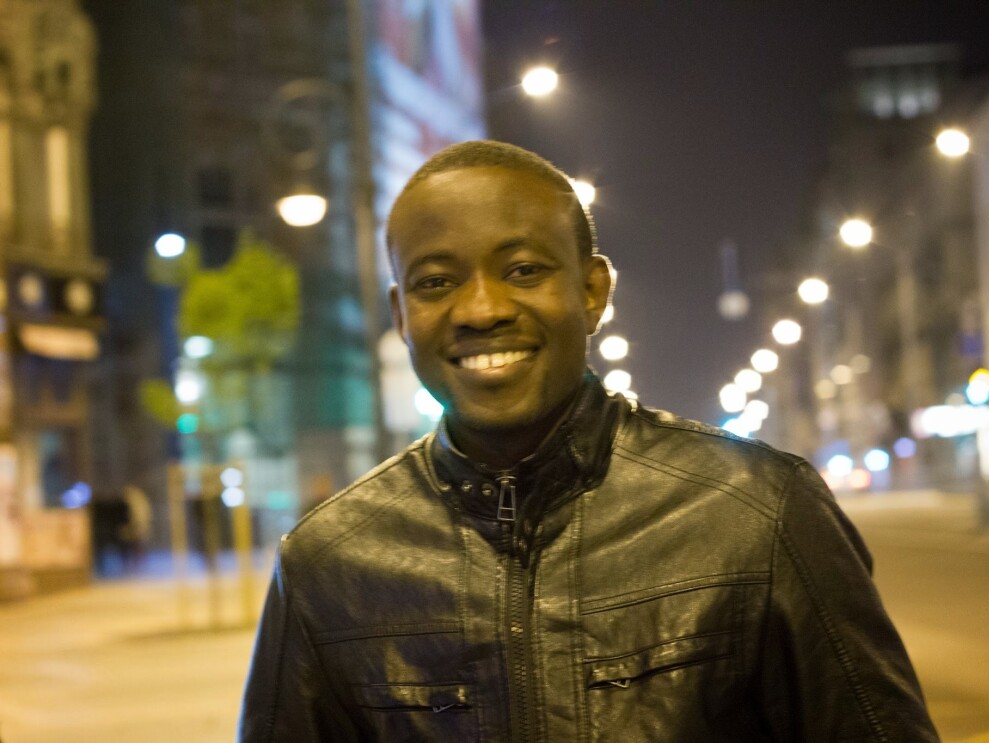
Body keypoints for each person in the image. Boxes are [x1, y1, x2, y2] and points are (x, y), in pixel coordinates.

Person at [240, 140, 939, 741]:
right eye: (436, 281)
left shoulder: (760, 514)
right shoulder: (325, 566)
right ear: (401, 314)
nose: (480, 308)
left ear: (592, 291)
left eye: (522, 269)